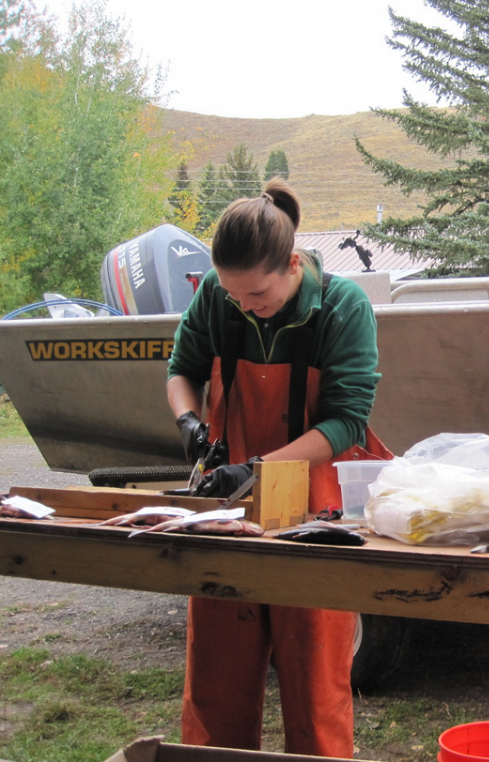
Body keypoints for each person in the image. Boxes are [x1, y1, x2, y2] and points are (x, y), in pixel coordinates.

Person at [166, 179, 390, 757]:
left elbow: (345, 422)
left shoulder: (344, 307)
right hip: (227, 514)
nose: (244, 305)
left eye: (257, 295)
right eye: (233, 295)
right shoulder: (220, 297)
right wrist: (190, 423)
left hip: (317, 516)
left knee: (317, 692)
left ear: (292, 265)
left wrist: (261, 468)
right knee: (216, 686)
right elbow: (182, 369)